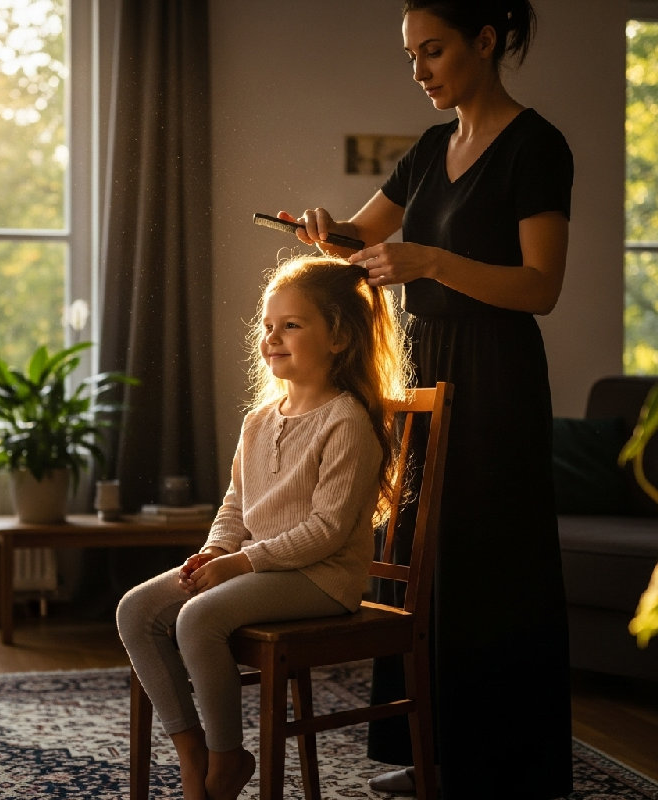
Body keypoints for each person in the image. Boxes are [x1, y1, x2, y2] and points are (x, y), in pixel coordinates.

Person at [278, 1, 574, 798]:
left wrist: (434, 263)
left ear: (485, 41)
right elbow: (359, 238)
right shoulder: (430, 149)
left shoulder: (537, 147)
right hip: (428, 368)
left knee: (488, 560)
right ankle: (434, 753)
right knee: (422, 561)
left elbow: (540, 286)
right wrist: (321, 229)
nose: (420, 70)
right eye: (412, 56)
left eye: (433, 51)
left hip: (497, 375)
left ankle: (509, 767)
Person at [117, 255, 411, 800]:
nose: (272, 337)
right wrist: (215, 550)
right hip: (257, 565)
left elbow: (325, 531)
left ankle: (227, 761)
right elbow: (235, 504)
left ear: (339, 338)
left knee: (199, 618)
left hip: (321, 579)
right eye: (267, 326)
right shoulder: (259, 420)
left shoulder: (347, 420)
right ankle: (195, 754)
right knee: (136, 609)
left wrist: (241, 562)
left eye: (292, 326)